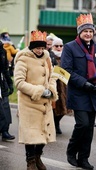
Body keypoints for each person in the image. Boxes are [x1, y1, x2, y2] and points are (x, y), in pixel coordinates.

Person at [61, 13, 96, 170]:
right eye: (85, 31)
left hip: (94, 92)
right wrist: (85, 84)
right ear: (79, 32)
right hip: (79, 92)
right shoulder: (69, 47)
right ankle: (71, 150)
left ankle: (84, 159)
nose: (88, 34)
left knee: (89, 129)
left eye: (90, 31)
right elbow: (67, 70)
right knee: (83, 124)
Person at [14, 30, 58, 170]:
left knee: (44, 134)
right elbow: (19, 82)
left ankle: (38, 157)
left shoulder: (47, 58)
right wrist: (39, 91)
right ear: (31, 47)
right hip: (30, 103)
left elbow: (51, 77)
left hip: (45, 103)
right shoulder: (23, 59)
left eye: (42, 48)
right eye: (37, 48)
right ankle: (30, 161)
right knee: (31, 135)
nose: (40, 50)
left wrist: (50, 90)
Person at [51, 36, 71, 134]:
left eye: (60, 46)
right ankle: (54, 124)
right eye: (56, 46)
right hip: (55, 84)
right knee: (55, 106)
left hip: (65, 85)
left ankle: (57, 122)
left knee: (64, 107)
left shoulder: (66, 56)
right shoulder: (50, 57)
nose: (59, 48)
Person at [0, 40, 15, 141]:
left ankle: (5, 131)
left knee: (5, 107)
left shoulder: (2, 50)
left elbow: (5, 69)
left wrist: (10, 83)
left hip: (1, 82)